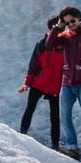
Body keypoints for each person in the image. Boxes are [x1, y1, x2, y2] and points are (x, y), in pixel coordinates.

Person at [45, 6, 81, 163]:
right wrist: (58, 26)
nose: (70, 24)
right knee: (64, 117)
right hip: (67, 83)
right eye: (66, 22)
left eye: (72, 21)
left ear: (79, 19)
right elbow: (49, 44)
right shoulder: (65, 34)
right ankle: (73, 148)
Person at [18, 16, 63, 150]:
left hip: (55, 85)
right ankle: (21, 136)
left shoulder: (65, 46)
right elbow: (34, 64)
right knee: (30, 109)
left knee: (55, 116)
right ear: (50, 29)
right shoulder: (42, 44)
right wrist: (27, 83)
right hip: (39, 83)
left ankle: (55, 146)